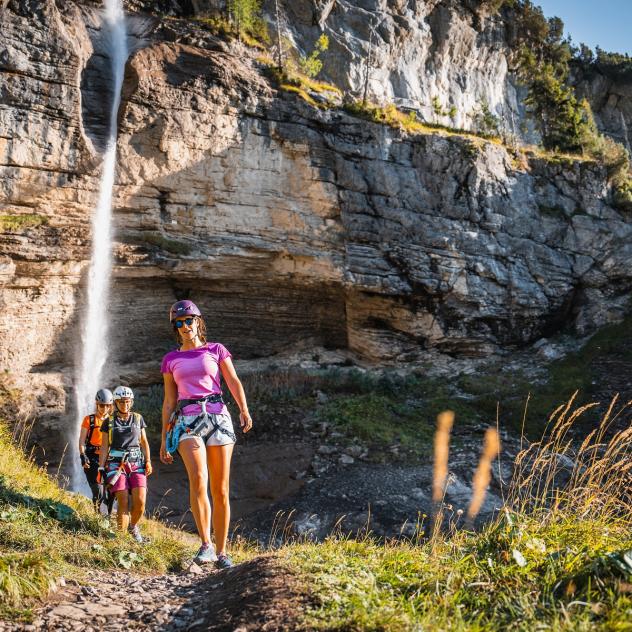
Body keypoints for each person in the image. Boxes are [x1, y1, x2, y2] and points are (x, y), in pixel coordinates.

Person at [159, 300, 253, 568]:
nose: (185, 326)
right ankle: (206, 545)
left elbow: (233, 380)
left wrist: (244, 410)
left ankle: (223, 552)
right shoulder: (170, 359)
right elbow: (168, 401)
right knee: (199, 477)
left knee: (220, 489)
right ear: (175, 328)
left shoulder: (216, 349)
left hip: (218, 416)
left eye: (189, 320)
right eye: (179, 323)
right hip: (187, 420)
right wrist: (164, 437)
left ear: (198, 321)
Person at [99, 385, 153, 543]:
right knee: (122, 500)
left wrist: (148, 460)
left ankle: (133, 526)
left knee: (141, 501)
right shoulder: (108, 422)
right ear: (115, 403)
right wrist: (101, 467)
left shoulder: (138, 418)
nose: (125, 405)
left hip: (137, 463)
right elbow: (104, 447)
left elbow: (144, 442)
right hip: (116, 465)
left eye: (128, 402)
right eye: (121, 402)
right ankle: (121, 541)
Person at [78, 389, 114, 515]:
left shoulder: (113, 421)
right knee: (98, 491)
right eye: (101, 405)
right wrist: (83, 455)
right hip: (92, 458)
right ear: (96, 404)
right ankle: (98, 518)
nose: (104, 408)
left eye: (107, 406)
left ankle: (107, 517)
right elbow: (82, 440)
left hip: (109, 459)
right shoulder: (89, 420)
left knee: (111, 492)